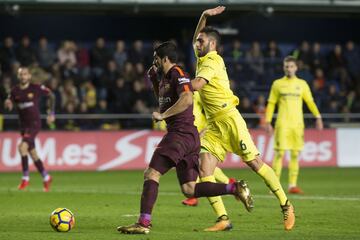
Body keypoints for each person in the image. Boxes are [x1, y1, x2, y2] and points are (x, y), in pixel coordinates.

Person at [117, 42, 253, 234]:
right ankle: (234, 188)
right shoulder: (165, 78)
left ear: (165, 59)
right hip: (189, 137)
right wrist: (155, 80)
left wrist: (163, 116)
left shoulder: (178, 73)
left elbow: (187, 99)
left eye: (156, 57)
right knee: (190, 189)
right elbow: (164, 100)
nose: (153, 61)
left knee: (151, 174)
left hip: (179, 135)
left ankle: (143, 223)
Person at [191, 6, 295, 231]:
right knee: (204, 170)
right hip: (214, 125)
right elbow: (196, 37)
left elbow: (197, 85)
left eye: (200, 42)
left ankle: (286, 205)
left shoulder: (212, 62)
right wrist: (205, 16)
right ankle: (223, 219)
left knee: (255, 164)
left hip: (230, 119)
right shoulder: (202, 58)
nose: (196, 44)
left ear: (212, 45)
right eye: (197, 41)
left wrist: (175, 82)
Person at [265, 56, 323, 194]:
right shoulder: (277, 84)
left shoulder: (302, 84)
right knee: (279, 153)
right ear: (283, 68)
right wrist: (268, 121)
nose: (289, 69)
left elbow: (310, 102)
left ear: (296, 68)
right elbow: (271, 103)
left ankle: (292, 185)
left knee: (295, 154)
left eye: (291, 66)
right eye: (286, 66)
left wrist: (318, 117)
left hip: (297, 125)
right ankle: (275, 186)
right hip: (282, 124)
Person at [4, 67, 55, 192]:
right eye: (21, 74)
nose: (23, 77)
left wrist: (51, 113)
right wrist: (8, 102)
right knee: (32, 153)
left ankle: (25, 178)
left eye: (25, 74)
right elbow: (9, 100)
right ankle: (46, 177)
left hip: (34, 124)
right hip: (23, 125)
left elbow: (51, 95)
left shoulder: (36, 88)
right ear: (18, 76)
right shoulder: (15, 90)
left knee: (22, 147)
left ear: (29, 76)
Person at [181, 91, 236, 207]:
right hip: (189, 133)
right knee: (201, 164)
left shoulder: (197, 94)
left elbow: (210, 109)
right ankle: (228, 182)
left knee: (196, 162)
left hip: (201, 133)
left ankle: (193, 196)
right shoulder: (181, 95)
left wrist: (207, 128)